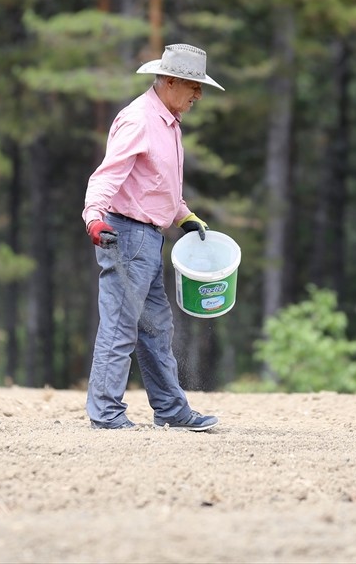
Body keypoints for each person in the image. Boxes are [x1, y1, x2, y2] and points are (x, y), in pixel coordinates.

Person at [82, 43, 224, 431]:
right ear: (172, 81)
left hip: (148, 238)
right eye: (194, 86)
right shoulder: (139, 120)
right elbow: (106, 176)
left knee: (156, 327)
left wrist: (185, 216)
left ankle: (171, 410)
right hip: (126, 235)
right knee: (120, 326)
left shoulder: (167, 122)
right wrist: (94, 219)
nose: (199, 95)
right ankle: (106, 415)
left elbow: (156, 186)